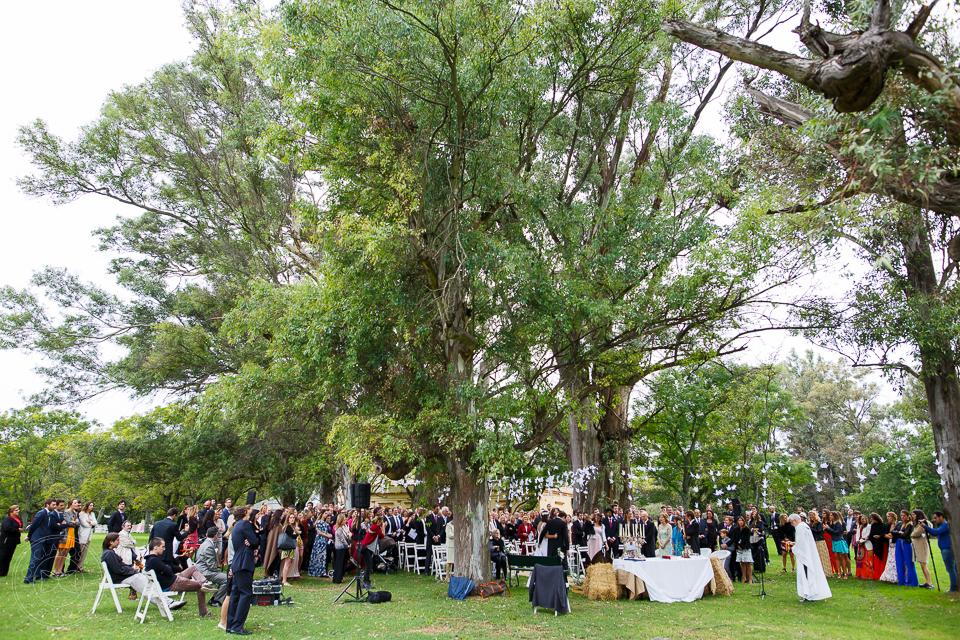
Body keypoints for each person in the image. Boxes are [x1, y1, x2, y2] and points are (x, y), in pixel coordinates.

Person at [101, 533, 185, 611]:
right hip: (120, 578)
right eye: (117, 540)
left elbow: (120, 566)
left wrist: (131, 568)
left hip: (123, 576)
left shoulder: (109, 553)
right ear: (111, 542)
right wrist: (132, 570)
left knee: (147, 582)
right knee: (145, 585)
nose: (119, 542)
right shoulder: (109, 554)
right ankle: (166, 602)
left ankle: (167, 601)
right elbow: (118, 569)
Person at [144, 537, 216, 617]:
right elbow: (169, 571)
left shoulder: (149, 560)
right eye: (162, 547)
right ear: (155, 547)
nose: (164, 549)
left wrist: (165, 569)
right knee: (199, 587)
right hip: (172, 583)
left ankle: (204, 583)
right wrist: (166, 569)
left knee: (193, 568)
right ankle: (204, 612)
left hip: (173, 578)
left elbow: (167, 570)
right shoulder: (154, 560)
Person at [226, 505, 259, 634]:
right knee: (245, 593)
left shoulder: (236, 525)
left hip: (237, 562)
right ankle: (237, 626)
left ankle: (231, 625)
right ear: (245, 512)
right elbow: (255, 542)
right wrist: (252, 541)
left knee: (235, 593)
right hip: (244, 561)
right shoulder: (245, 524)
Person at [788, 513, 832, 602]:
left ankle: (810, 594)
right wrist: (795, 544)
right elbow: (802, 542)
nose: (791, 525)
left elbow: (802, 543)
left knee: (807, 574)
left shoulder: (801, 528)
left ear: (795, 520)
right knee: (807, 574)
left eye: (791, 522)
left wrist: (794, 547)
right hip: (807, 552)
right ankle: (809, 594)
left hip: (805, 555)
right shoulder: (804, 526)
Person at [194, 526, 229, 606]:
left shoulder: (205, 543)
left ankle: (215, 598)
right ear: (216, 535)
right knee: (227, 579)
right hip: (205, 571)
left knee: (223, 578)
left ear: (206, 534)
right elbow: (211, 565)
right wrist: (218, 572)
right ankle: (215, 600)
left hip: (202, 569)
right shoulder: (208, 546)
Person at [923, 511, 957, 592]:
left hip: (947, 549)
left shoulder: (945, 525)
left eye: (935, 518)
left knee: (950, 569)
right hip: (945, 549)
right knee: (951, 568)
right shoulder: (943, 525)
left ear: (941, 516)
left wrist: (926, 527)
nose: (934, 520)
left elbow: (936, 532)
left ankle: (953, 588)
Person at [890, 509, 919, 586]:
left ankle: (912, 582)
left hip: (905, 543)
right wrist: (898, 532)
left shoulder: (910, 525)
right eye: (901, 515)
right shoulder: (899, 523)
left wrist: (897, 534)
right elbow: (892, 532)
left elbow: (905, 535)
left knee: (909, 563)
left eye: (904, 515)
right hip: (898, 543)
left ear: (908, 516)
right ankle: (901, 581)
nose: (902, 517)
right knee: (899, 562)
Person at [358, 515, 384, 589]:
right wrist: (384, 527)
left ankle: (366, 582)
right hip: (366, 547)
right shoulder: (375, 527)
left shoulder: (375, 527)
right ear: (378, 521)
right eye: (381, 522)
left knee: (369, 565)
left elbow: (381, 536)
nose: (382, 523)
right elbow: (382, 535)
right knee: (369, 565)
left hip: (369, 548)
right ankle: (366, 582)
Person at [910, 509, 934, 589]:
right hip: (917, 545)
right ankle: (927, 581)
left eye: (914, 514)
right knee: (922, 564)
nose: (913, 516)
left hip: (922, 545)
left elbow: (916, 533)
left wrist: (913, 534)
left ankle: (929, 582)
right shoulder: (917, 524)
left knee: (923, 563)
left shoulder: (923, 524)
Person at [808, 511, 833, 578]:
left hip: (820, 541)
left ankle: (826, 572)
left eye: (812, 515)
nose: (811, 516)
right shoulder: (810, 524)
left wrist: (810, 529)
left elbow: (819, 531)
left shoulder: (819, 523)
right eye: (810, 515)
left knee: (823, 556)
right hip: (813, 541)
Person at [0, 505, 23, 577]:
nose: (17, 512)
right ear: (11, 511)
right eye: (16, 510)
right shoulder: (8, 519)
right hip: (6, 540)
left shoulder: (18, 519)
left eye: (18, 510)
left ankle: (4, 572)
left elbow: (21, 525)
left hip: (14, 540)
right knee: (3, 556)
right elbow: (7, 528)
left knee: (9, 556)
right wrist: (17, 530)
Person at [279, 512, 301, 587]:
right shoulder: (288, 527)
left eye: (293, 518)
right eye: (290, 518)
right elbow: (294, 536)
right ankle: (284, 580)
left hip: (290, 547)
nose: (292, 519)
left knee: (288, 563)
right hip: (287, 548)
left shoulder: (291, 527)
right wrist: (296, 534)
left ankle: (284, 579)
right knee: (287, 563)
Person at [309, 511, 332, 577]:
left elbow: (325, 531)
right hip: (319, 540)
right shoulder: (319, 522)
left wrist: (329, 535)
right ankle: (317, 571)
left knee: (323, 556)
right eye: (325, 513)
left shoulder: (325, 523)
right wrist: (327, 535)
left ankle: (322, 570)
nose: (326, 515)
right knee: (318, 555)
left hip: (324, 541)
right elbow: (319, 532)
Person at [76, 501, 97, 572]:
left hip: (89, 535)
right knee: (80, 551)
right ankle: (76, 565)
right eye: (90, 505)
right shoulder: (82, 514)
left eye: (92, 505)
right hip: (83, 534)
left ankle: (80, 566)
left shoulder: (92, 514)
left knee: (85, 552)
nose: (91, 507)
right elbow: (84, 524)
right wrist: (91, 524)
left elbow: (95, 523)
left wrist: (90, 522)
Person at [870, 511, 889, 580]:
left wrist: (880, 536)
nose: (872, 519)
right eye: (871, 518)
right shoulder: (873, 526)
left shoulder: (884, 526)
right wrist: (868, 538)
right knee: (877, 558)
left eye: (873, 518)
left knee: (883, 558)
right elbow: (871, 534)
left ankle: (882, 574)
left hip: (882, 543)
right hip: (876, 543)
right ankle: (876, 574)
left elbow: (885, 534)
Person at [332, 514, 350, 584]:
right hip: (340, 547)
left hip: (342, 547)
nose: (345, 521)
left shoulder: (341, 528)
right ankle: (337, 578)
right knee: (339, 563)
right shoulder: (339, 529)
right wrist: (347, 545)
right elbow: (342, 539)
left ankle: (340, 577)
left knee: (341, 563)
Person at [855, 514, 873, 579]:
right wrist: (857, 541)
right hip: (860, 545)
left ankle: (868, 575)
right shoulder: (859, 526)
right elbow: (857, 534)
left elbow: (868, 535)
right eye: (862, 519)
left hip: (866, 544)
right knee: (860, 560)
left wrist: (861, 541)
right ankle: (860, 574)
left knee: (868, 560)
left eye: (865, 519)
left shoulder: (869, 526)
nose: (864, 520)